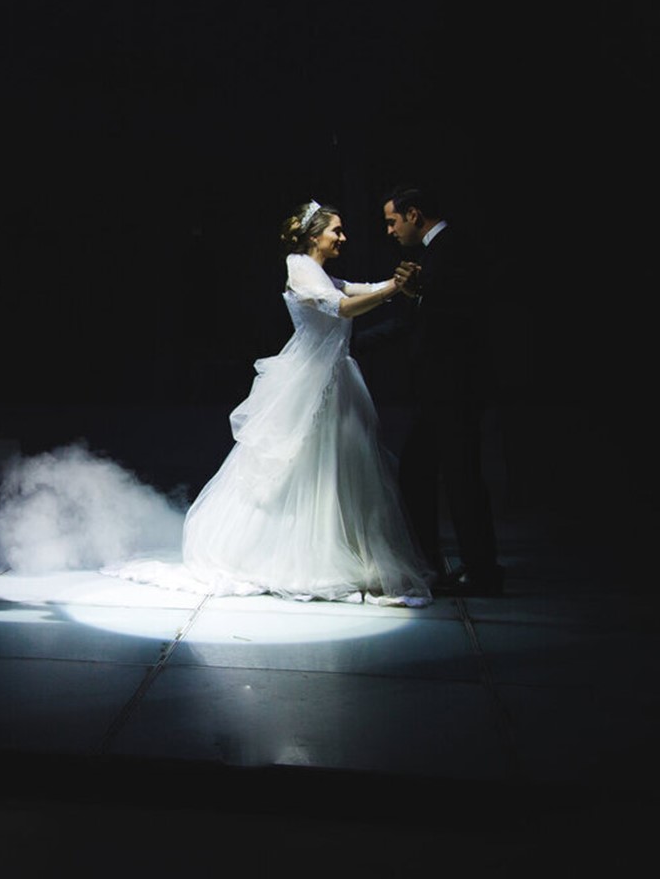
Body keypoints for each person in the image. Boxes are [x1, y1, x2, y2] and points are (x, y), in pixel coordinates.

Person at [106, 200, 434, 605]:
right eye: (337, 230)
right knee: (303, 465)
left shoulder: (318, 270)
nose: (343, 237)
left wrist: (390, 285)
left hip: (332, 376)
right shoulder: (299, 265)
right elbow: (342, 306)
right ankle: (296, 552)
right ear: (315, 236)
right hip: (312, 379)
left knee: (336, 465)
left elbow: (351, 288)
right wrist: (393, 289)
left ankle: (338, 542)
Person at [375, 184, 505, 596]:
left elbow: (461, 314)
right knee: (427, 472)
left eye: (393, 221)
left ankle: (478, 570)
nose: (391, 231)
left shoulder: (452, 248)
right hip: (442, 390)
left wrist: (420, 293)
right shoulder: (438, 251)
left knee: (457, 477)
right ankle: (441, 563)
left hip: (454, 388)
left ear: (414, 214)